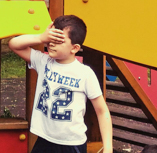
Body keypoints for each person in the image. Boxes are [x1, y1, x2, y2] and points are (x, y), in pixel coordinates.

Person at [10, 15, 113, 153]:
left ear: (74, 48)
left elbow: (102, 111)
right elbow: (14, 44)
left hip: (72, 144)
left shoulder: (85, 73)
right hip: (45, 139)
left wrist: (108, 148)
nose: (51, 44)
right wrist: (40, 38)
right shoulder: (43, 62)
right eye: (51, 39)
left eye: (58, 41)